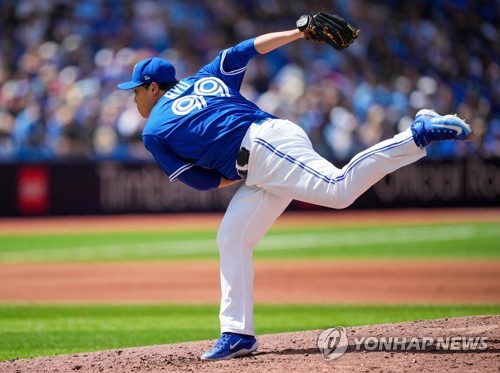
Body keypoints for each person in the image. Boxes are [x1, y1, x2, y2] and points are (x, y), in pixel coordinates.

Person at [117, 16, 474, 361]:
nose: (134, 99)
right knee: (232, 238)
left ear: (152, 87)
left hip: (263, 149)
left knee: (338, 190)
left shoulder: (154, 131)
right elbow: (246, 49)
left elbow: (200, 181)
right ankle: (237, 333)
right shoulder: (204, 77)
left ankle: (417, 134)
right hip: (267, 150)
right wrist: (300, 32)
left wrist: (238, 172)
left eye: (136, 91)